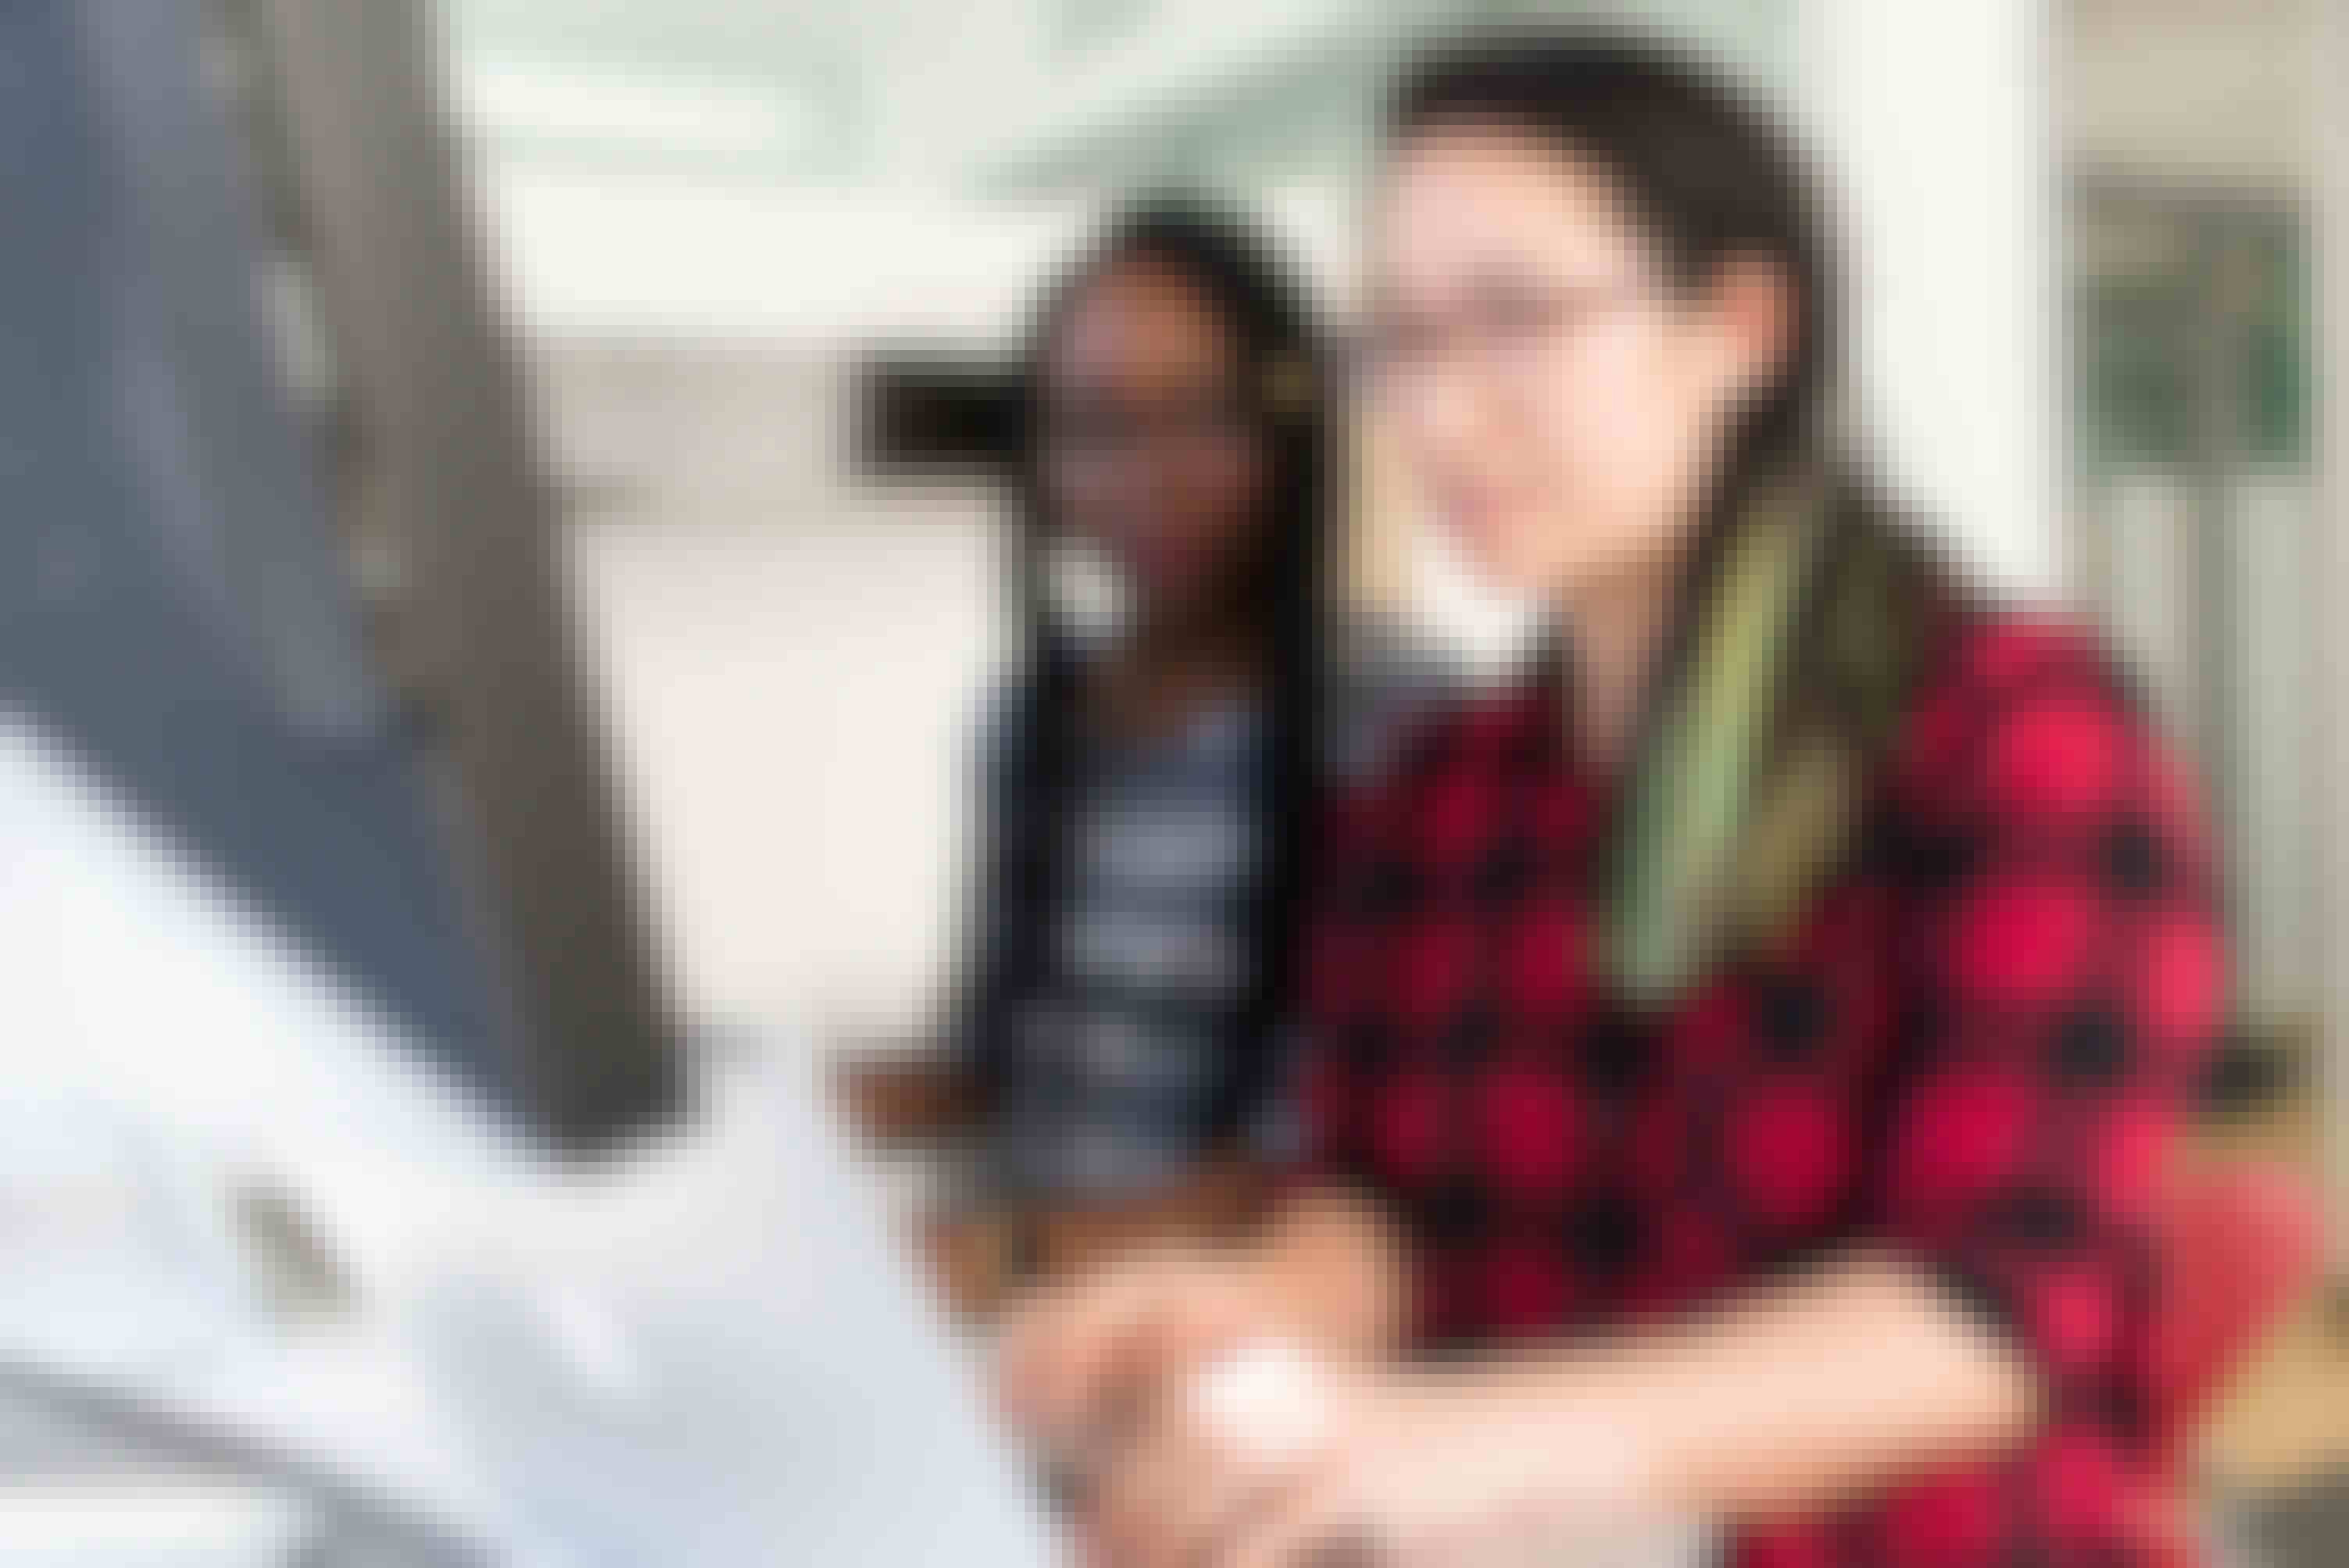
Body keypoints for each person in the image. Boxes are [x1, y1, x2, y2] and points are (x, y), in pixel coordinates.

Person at [996, 32, 2226, 1568]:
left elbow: (1984, 1313)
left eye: (1512, 318)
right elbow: (1376, 1199)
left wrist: (1410, 1440)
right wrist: (1257, 1309)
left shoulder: (2012, 732)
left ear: (1741, 327)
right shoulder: (1436, 791)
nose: (1439, 415)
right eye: (1400, 339)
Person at [847, 198, 1445, 1316]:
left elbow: (1329, 1159)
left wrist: (1010, 1255)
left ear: (1291, 427)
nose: (1151, 476)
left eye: (1205, 416)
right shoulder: (1030, 724)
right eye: (1097, 428)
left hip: (1238, 1346)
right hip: (1031, 1337)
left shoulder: (1399, 725)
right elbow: (993, 1059)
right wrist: (768, 1110)